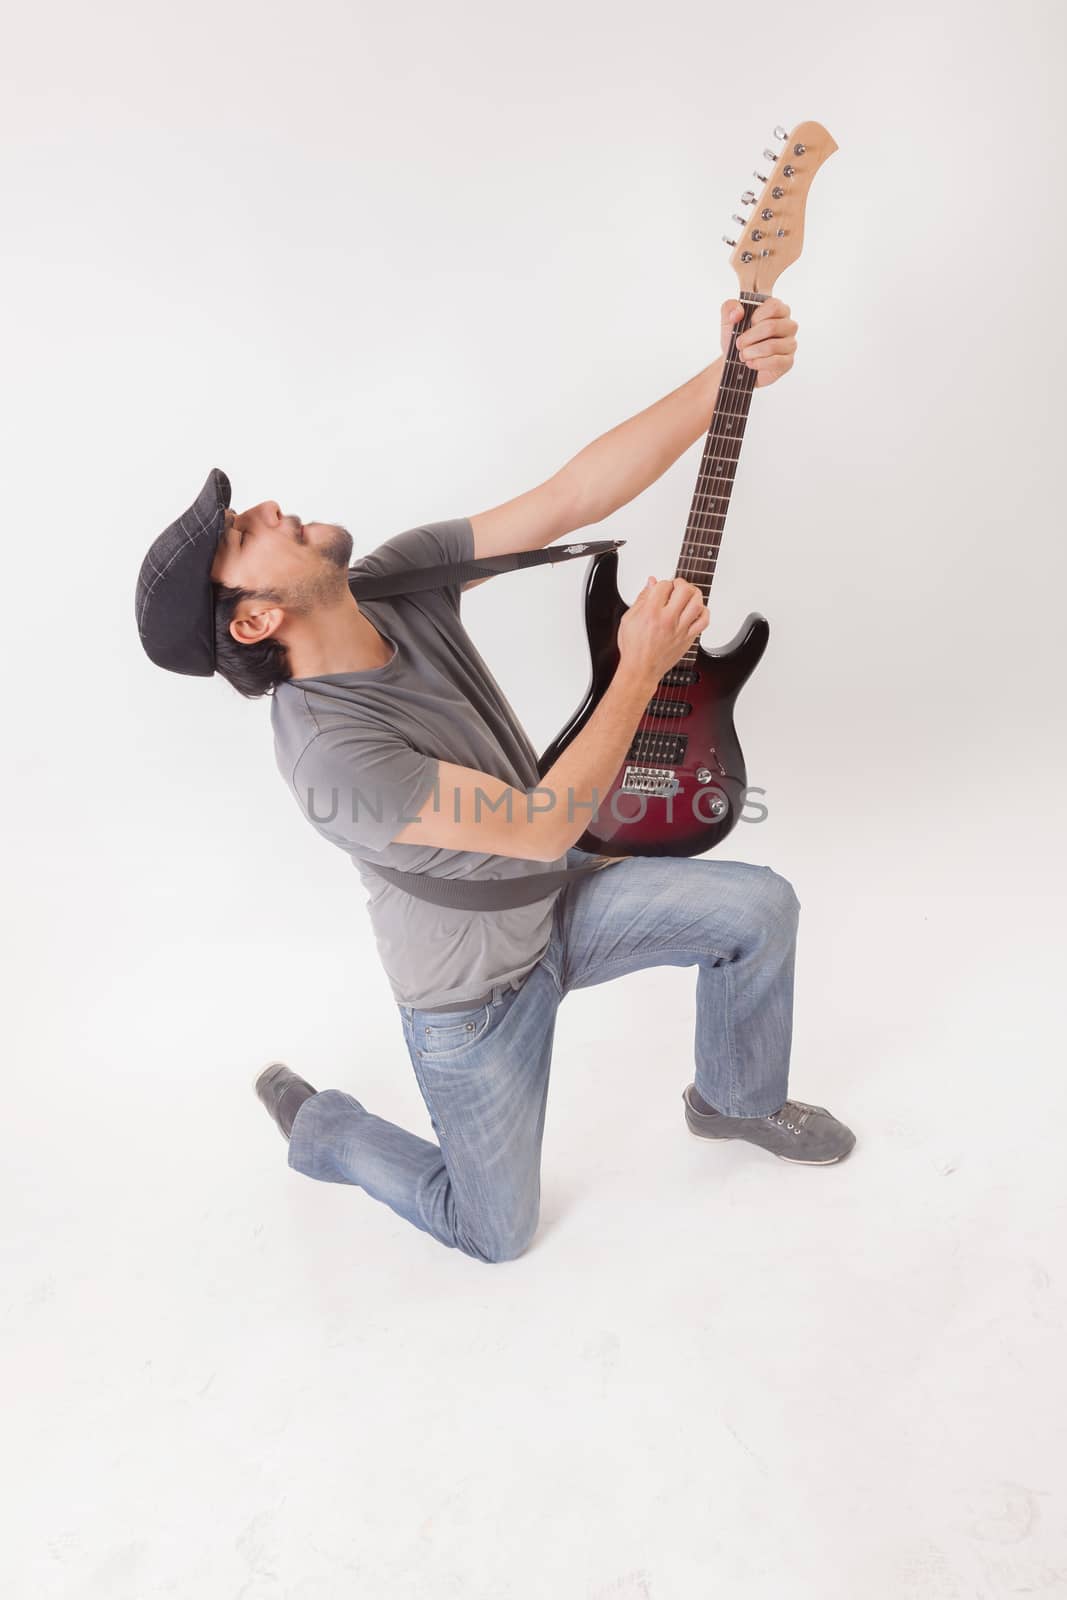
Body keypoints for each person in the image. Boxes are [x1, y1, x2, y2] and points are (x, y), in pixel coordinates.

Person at [135, 296, 855, 1267]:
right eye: (238, 536)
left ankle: (732, 1099)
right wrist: (639, 666)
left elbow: (569, 496)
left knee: (758, 908)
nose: (263, 508)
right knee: (496, 1233)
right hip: (472, 998)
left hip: (560, 906)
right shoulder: (329, 754)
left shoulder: (393, 579)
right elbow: (539, 823)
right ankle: (327, 1132)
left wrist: (725, 375)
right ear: (255, 620)